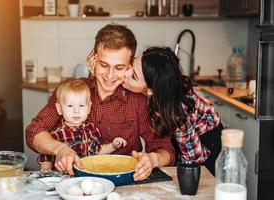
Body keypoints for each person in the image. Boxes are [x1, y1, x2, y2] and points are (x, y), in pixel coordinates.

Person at [25, 24, 175, 181]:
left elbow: (166, 150)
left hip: (124, 186)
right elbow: (34, 131)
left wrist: (153, 160)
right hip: (75, 184)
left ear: (130, 66)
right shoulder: (71, 90)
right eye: (104, 65)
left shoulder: (138, 100)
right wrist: (60, 149)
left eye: (119, 67)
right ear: (93, 58)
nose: (110, 76)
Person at [122, 47, 223, 175]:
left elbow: (194, 158)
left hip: (207, 141)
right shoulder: (159, 91)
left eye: (134, 76)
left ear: (150, 90)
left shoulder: (179, 112)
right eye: (131, 65)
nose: (126, 73)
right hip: (183, 134)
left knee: (195, 177)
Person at [38, 78, 127, 172]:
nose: (76, 111)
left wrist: (112, 146)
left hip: (89, 175)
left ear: (88, 108)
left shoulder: (92, 129)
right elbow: (46, 157)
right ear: (59, 109)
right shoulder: (55, 135)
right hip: (65, 178)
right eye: (70, 106)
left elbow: (98, 151)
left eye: (81, 105)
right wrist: (46, 169)